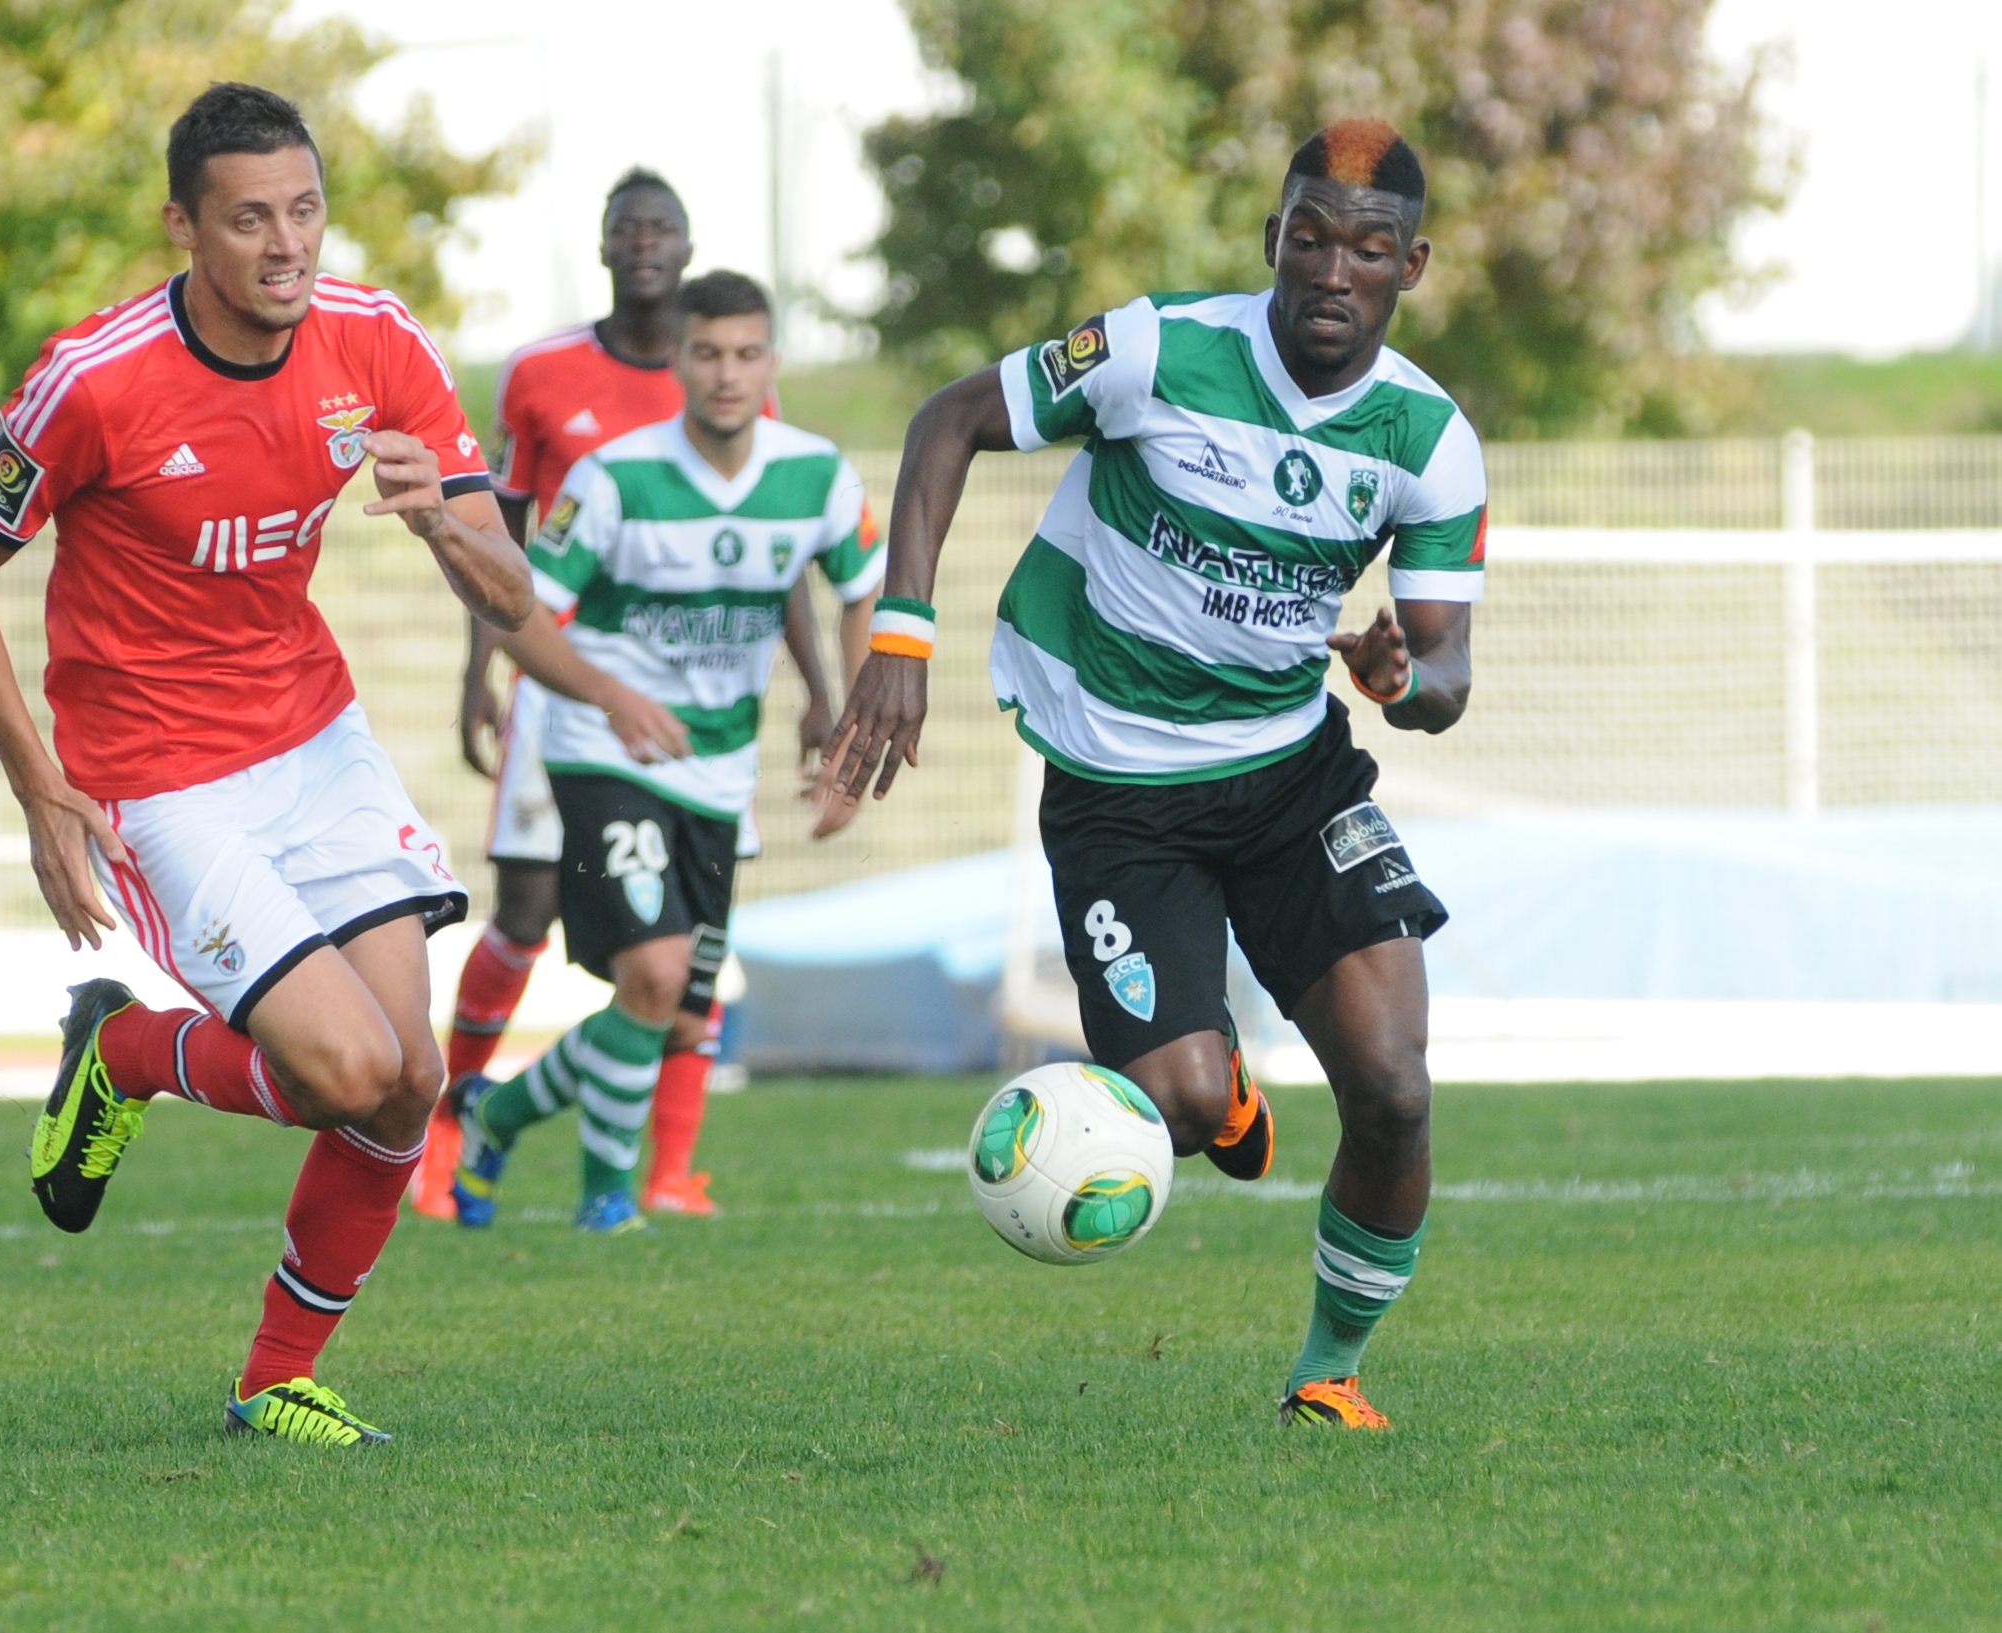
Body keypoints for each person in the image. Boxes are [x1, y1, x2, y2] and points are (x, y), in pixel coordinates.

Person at [825, 120, 1485, 1431]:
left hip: (1291, 781)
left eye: (1365, 249)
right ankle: (1218, 1082)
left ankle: (1327, 1373)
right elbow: (948, 418)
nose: (1330, 271)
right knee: (1179, 1107)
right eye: (1306, 238)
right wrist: (900, 633)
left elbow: (1447, 679)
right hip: (1117, 791)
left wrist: (1405, 678)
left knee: (1394, 1087)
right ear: (1271, 243)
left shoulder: (1428, 440)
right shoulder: (1155, 347)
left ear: (1409, 266)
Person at [0, 83, 530, 1447]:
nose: (285, 244)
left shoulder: (375, 339)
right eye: (249, 219)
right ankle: (126, 1052)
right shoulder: (95, 378)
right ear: (183, 225)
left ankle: (275, 1380)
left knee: (408, 1081)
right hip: (156, 773)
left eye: (304, 211)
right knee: (333, 1071)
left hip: (313, 739)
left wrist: (447, 526)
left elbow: (511, 589)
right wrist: (36, 784)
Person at [428, 169, 842, 1222]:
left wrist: (823, 690)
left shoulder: (775, 436)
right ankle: (484, 1151)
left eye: (665, 228)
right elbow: (504, 544)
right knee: (536, 918)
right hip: (581, 709)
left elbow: (782, 557)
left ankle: (581, 1143)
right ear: (607, 246)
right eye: (630, 229)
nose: (725, 372)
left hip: (712, 742)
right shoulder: (552, 390)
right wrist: (484, 671)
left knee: (677, 983)